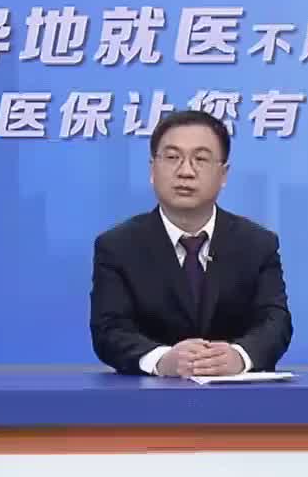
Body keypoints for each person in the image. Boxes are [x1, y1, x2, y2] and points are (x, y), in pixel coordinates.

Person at [90, 109, 293, 377]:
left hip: (238, 398)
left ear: (223, 174)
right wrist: (162, 360)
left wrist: (240, 356)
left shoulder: (257, 244)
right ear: (152, 169)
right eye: (172, 157)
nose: (185, 171)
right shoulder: (118, 247)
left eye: (200, 159)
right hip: (147, 398)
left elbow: (276, 321)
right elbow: (109, 329)